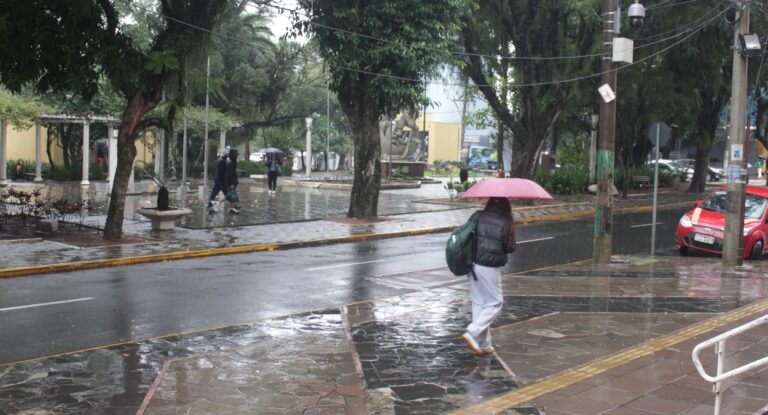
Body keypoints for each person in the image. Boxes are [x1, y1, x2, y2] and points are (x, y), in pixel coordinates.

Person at [461, 197, 516, 356]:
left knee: (479, 303)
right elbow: (509, 248)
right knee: (495, 302)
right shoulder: (506, 221)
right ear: (506, 205)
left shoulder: (479, 215)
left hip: (472, 264)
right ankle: (473, 332)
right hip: (489, 267)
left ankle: (484, 344)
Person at [224, 147, 240, 213]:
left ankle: (233, 207)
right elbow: (229, 174)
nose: (237, 155)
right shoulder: (230, 162)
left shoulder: (232, 161)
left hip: (233, 181)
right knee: (232, 195)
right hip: (231, 182)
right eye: (236, 154)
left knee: (232, 195)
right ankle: (232, 208)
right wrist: (231, 183)